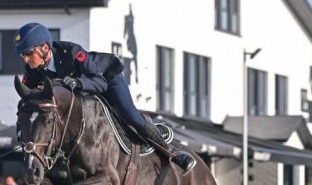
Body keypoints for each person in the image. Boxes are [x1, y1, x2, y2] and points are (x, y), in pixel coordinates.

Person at [14, 22, 195, 173]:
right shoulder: (32, 71)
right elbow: (30, 100)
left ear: (45, 47)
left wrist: (79, 83)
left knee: (129, 114)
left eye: (29, 53)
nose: (26, 59)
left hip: (107, 79)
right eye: (23, 55)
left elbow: (100, 82)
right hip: (84, 96)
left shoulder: (71, 52)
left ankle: (172, 153)